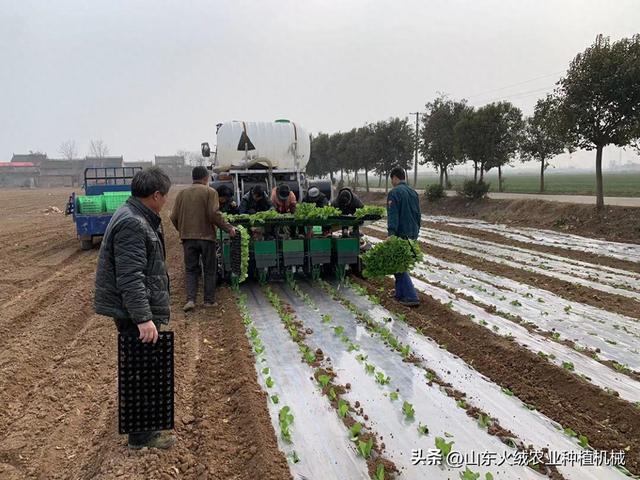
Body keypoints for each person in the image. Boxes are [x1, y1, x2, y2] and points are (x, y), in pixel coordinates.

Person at [94, 166, 175, 450]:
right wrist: (143, 318)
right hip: (135, 313)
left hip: (137, 309)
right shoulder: (133, 223)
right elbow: (130, 276)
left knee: (145, 368)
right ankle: (142, 437)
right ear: (155, 195)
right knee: (141, 371)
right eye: (165, 196)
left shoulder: (137, 215)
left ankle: (146, 429)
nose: (166, 201)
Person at [171, 166, 236, 312]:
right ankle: (208, 301)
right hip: (206, 237)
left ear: (193, 178)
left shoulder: (182, 194)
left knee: (191, 270)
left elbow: (173, 216)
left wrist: (183, 231)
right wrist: (229, 228)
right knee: (209, 269)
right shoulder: (210, 192)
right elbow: (214, 214)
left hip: (187, 238)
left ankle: (191, 300)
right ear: (206, 178)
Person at [387, 166, 421, 307]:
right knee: (399, 263)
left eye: (391, 180)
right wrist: (416, 231)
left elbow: (393, 215)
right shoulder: (413, 193)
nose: (392, 182)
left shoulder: (395, 193)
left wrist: (391, 234)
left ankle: (411, 296)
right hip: (412, 232)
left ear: (395, 177)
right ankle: (399, 294)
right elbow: (418, 215)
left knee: (399, 265)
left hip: (400, 234)